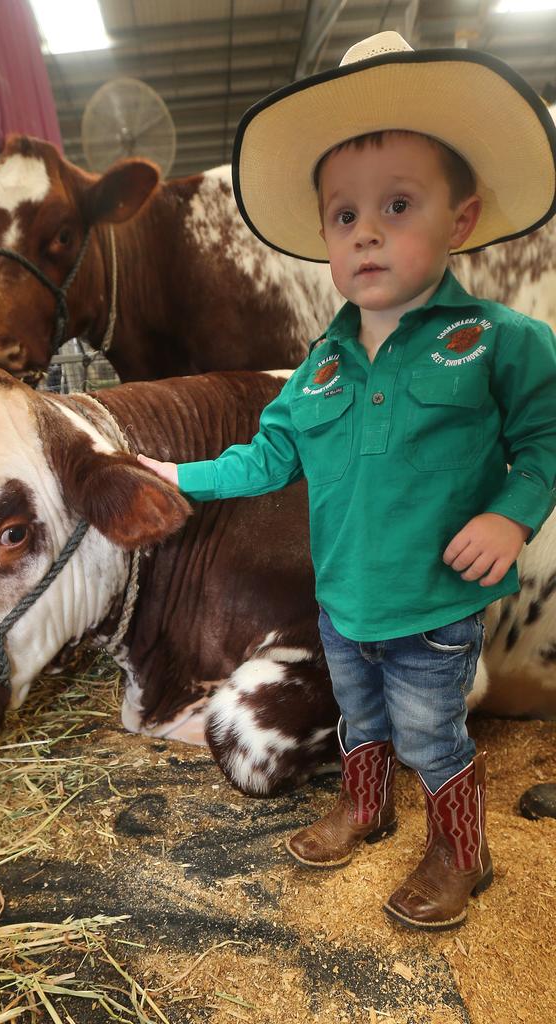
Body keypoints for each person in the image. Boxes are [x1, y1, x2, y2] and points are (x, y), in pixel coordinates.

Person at [136, 31, 556, 931]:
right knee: (359, 722)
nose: (365, 230)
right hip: (342, 605)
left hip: (432, 609)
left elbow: (545, 442)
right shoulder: (317, 372)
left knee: (433, 737)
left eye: (398, 205)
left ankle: (462, 852)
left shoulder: (499, 343)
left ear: (462, 219)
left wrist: (512, 518)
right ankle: (366, 807)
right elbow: (265, 460)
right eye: (344, 215)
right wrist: (175, 472)